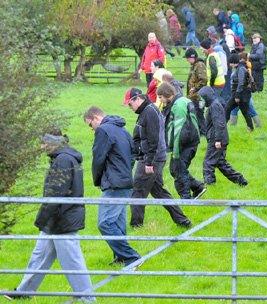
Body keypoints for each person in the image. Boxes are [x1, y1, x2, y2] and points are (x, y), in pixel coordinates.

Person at [5, 133, 95, 302]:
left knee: (72, 262)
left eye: (44, 143)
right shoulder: (63, 158)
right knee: (38, 257)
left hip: (63, 219)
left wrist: (41, 219)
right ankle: (24, 292)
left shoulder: (63, 161)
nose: (42, 147)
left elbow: (55, 194)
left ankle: (88, 299)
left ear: (53, 142)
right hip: (56, 219)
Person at [123, 88, 192, 228]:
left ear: (137, 99)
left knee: (137, 191)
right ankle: (183, 221)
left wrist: (149, 162)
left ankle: (136, 226)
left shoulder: (149, 112)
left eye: (130, 104)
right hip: (153, 157)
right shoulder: (146, 111)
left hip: (150, 159)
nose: (129, 108)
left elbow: (154, 139)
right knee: (159, 192)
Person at [83, 107, 141, 267]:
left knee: (105, 223)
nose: (91, 129)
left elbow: (98, 158)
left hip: (114, 184)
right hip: (126, 181)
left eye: (90, 125)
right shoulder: (122, 129)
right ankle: (120, 257)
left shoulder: (103, 130)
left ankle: (131, 257)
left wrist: (97, 180)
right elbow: (133, 155)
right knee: (118, 223)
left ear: (95, 117)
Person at [157, 82, 206, 199]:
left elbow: (179, 130)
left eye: (160, 97)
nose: (160, 100)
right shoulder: (181, 101)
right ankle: (198, 187)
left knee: (178, 170)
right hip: (190, 141)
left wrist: (176, 151)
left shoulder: (178, 105)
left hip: (185, 144)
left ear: (167, 94)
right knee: (177, 169)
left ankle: (186, 199)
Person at [198, 86, 248, 186]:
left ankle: (210, 184)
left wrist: (217, 140)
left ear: (207, 97)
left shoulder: (214, 106)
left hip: (216, 139)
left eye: (202, 98)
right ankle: (241, 181)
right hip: (218, 138)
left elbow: (219, 123)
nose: (201, 100)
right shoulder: (213, 104)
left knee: (208, 163)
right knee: (221, 163)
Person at [229, 52, 261, 127]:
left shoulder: (243, 68)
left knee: (249, 108)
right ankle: (232, 125)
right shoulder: (243, 67)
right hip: (239, 92)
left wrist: (237, 93)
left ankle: (258, 124)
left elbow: (241, 82)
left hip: (242, 93)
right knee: (235, 109)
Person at [225, 53, 254, 131]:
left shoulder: (240, 69)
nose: (229, 64)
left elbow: (241, 82)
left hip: (240, 94)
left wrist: (237, 95)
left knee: (228, 108)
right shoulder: (240, 68)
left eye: (230, 62)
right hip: (240, 94)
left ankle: (222, 126)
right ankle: (250, 127)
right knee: (244, 111)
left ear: (234, 62)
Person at [184, 47, 207, 135]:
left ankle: (204, 132)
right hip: (193, 95)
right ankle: (199, 131)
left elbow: (203, 80)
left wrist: (195, 88)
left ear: (192, 57)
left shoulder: (200, 65)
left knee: (199, 114)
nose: (187, 60)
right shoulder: (194, 65)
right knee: (196, 114)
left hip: (198, 96)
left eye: (187, 58)